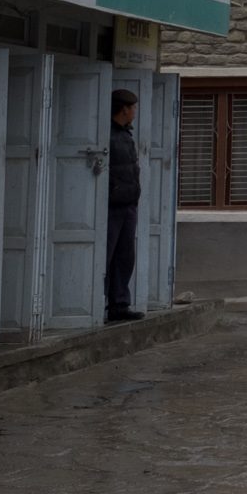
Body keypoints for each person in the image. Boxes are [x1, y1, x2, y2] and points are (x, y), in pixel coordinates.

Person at [105, 90, 142, 323]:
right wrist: (114, 191)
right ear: (124, 109)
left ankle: (120, 305)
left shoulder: (126, 135)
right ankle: (97, 303)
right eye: (133, 108)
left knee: (125, 256)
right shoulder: (108, 134)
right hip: (112, 205)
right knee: (106, 255)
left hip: (128, 204)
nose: (135, 112)